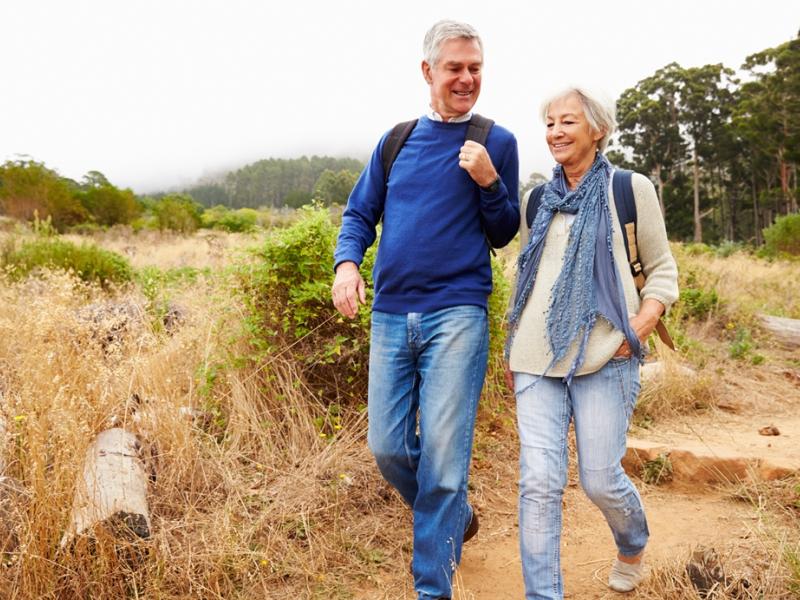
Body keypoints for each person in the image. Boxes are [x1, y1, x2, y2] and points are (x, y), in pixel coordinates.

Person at [332, 19, 519, 600]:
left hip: (458, 313)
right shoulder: (396, 140)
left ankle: (431, 588)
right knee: (387, 447)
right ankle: (455, 517)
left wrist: (490, 183)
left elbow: (504, 231)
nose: (467, 79)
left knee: (443, 459)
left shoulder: (497, 140)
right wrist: (346, 266)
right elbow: (360, 214)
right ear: (428, 71)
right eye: (455, 67)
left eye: (476, 68)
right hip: (391, 312)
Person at [505, 87, 678, 599]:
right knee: (539, 483)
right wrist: (513, 342)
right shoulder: (536, 198)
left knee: (600, 479)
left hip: (606, 352)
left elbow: (663, 270)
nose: (555, 132)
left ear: (597, 130)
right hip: (536, 356)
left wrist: (640, 326)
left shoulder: (629, 189)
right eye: (550, 123)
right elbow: (526, 274)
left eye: (568, 122)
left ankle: (632, 543)